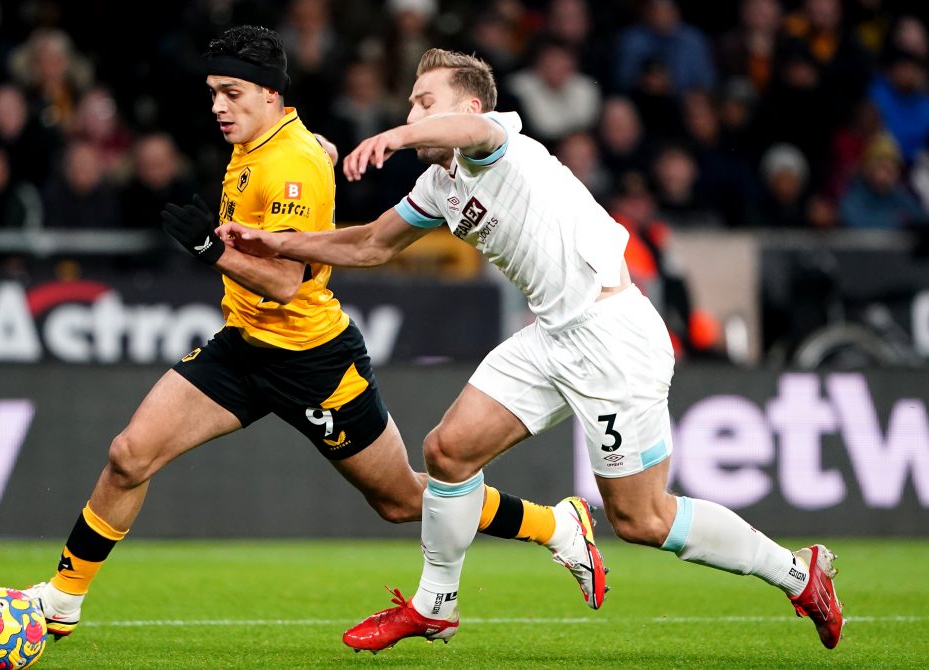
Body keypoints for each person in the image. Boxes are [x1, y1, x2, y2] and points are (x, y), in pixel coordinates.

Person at [0, 26, 600, 642]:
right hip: (245, 346)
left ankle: (555, 526)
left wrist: (208, 249)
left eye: (231, 93)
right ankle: (63, 600)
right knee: (128, 456)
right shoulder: (269, 141)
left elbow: (284, 283)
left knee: (404, 502)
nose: (219, 106)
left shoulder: (291, 163)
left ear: (271, 94)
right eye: (213, 93)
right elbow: (306, 161)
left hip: (313, 360)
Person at [218, 48, 844, 652]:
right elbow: (368, 246)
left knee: (642, 521)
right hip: (551, 336)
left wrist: (393, 138)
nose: (412, 115)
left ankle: (798, 573)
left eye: (423, 103)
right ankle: (435, 606)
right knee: (448, 450)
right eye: (408, 106)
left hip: (611, 339)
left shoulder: (499, 141)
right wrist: (273, 243)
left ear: (464, 105)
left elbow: (468, 128)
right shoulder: (441, 185)